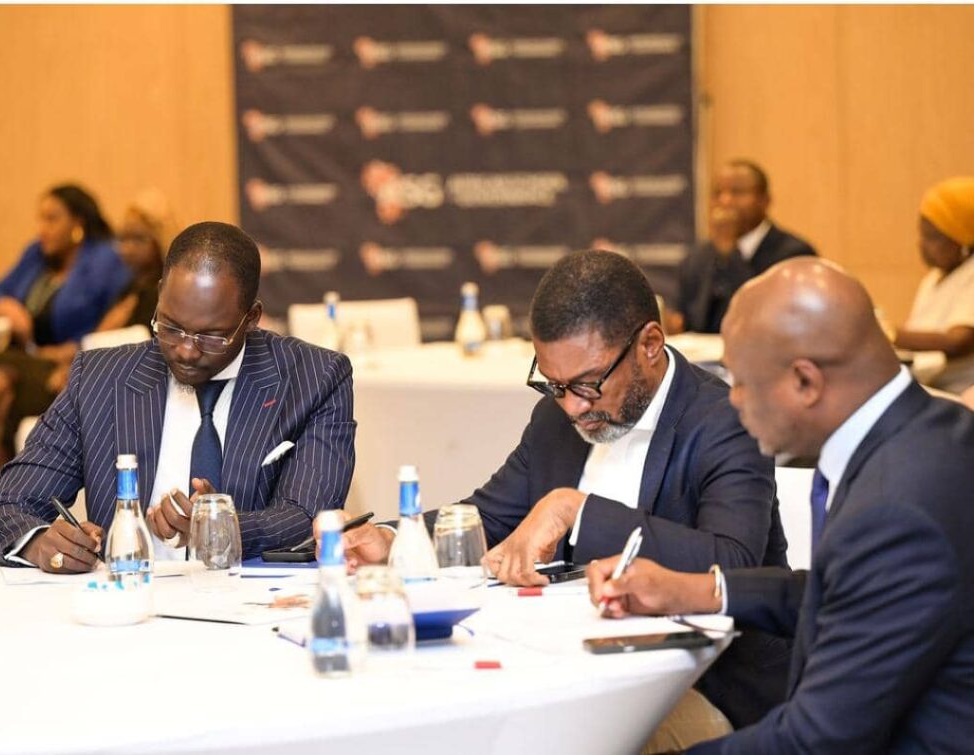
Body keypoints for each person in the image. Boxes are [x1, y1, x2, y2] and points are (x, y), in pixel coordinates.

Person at [325, 249, 791, 729]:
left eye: (588, 384)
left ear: (650, 344)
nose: (571, 408)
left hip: (703, 686)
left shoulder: (724, 420)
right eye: (554, 385)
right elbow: (492, 515)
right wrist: (394, 539)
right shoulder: (558, 414)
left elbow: (733, 564)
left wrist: (578, 510)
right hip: (574, 671)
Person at [589, 257, 974, 753]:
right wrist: (696, 590)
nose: (733, 400)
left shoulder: (897, 506)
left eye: (742, 382)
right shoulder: (929, 432)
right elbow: (844, 592)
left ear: (805, 382)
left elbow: (815, 740)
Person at [0, 221, 356, 570]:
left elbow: (310, 517)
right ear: (159, 295)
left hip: (250, 604)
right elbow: (5, 507)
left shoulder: (314, 379)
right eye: (170, 327)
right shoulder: (100, 379)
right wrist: (39, 542)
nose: (186, 350)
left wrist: (218, 526)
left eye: (211, 336)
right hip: (126, 603)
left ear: (251, 318)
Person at [0, 189, 173, 498]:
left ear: (77, 223)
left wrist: (69, 358)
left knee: (5, 369)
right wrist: (4, 304)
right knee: (0, 406)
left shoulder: (110, 267)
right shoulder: (37, 256)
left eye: (52, 219)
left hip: (71, 370)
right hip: (46, 361)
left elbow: (109, 336)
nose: (124, 248)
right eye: (123, 239)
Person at [671, 160, 816, 334]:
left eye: (737, 192)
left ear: (764, 200)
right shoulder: (697, 258)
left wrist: (731, 254)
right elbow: (689, 321)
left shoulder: (794, 254)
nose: (725, 201)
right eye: (717, 193)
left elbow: (767, 317)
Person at [893, 176, 974, 394]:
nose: (922, 245)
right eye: (922, 234)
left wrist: (888, 333)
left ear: (962, 240)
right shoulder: (933, 278)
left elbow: (959, 342)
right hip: (930, 387)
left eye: (932, 237)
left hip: (963, 395)